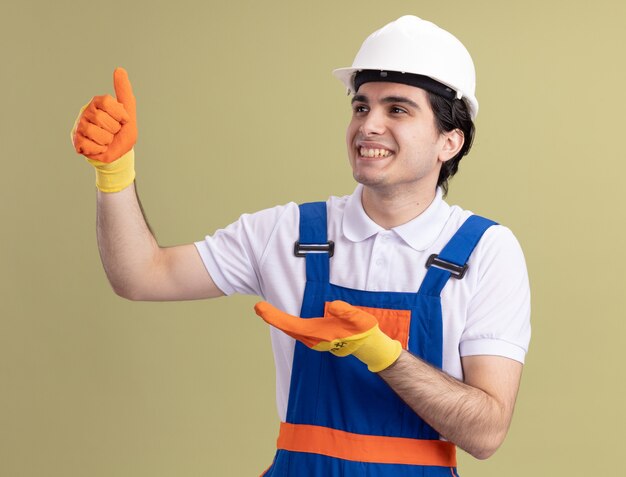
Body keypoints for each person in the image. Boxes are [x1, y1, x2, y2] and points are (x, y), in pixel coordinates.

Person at [72, 15, 530, 477]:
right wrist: (114, 174)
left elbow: (486, 433)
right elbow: (140, 275)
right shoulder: (288, 232)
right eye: (360, 107)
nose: (368, 125)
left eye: (397, 110)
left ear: (449, 141)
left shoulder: (484, 251)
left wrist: (384, 355)